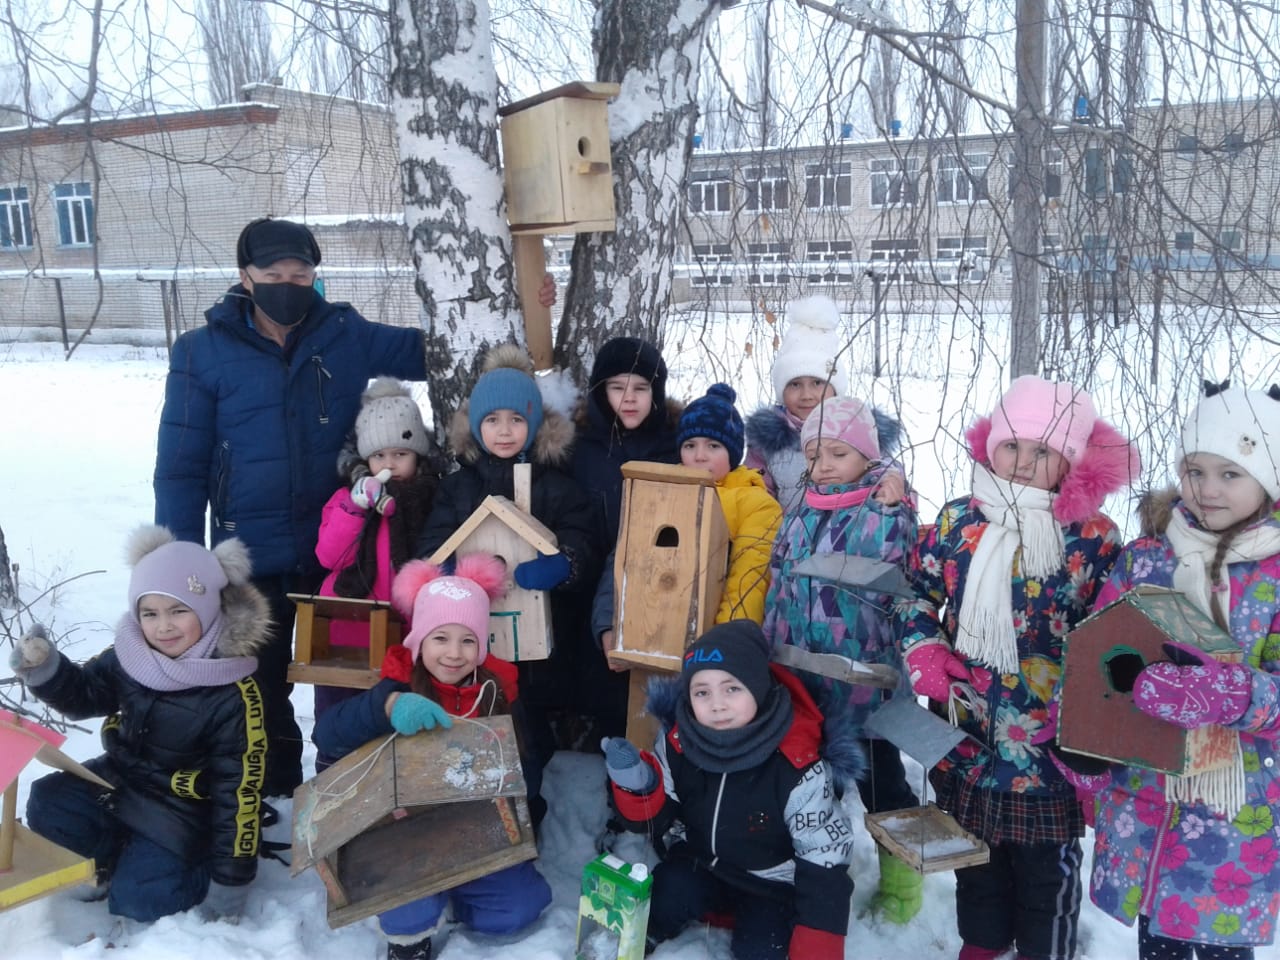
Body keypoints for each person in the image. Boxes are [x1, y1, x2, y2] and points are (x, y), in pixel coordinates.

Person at [154, 218, 555, 797]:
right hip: (249, 553)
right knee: (254, 684)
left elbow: (445, 346)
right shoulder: (201, 353)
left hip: (346, 552)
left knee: (350, 677)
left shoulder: (343, 332)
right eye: (273, 275)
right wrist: (180, 567)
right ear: (245, 277)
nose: (288, 286)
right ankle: (272, 793)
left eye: (301, 275)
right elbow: (180, 467)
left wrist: (526, 311)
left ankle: (360, 784)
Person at [901, 375, 1141, 960]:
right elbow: (914, 593)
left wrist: (1093, 718)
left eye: (1044, 452)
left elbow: (1115, 636)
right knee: (976, 864)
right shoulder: (958, 521)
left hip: (1048, 749)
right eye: (1013, 446)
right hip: (969, 735)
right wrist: (924, 648)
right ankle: (982, 944)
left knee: (1045, 876)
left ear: (1072, 463)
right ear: (992, 445)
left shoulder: (1093, 538)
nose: (1025, 462)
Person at [1081, 382, 1280, 960]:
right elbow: (1099, 650)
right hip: (1146, 798)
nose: (1208, 489)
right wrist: (1085, 738)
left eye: (1230, 474)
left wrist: (1229, 693)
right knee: (1158, 938)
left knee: (1219, 943)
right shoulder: (1146, 557)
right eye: (1195, 471)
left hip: (1236, 809)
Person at [8, 525, 270, 923]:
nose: (163, 626)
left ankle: (187, 866)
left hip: (182, 812)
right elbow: (86, 695)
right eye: (150, 613)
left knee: (139, 901)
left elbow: (239, 794)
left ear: (207, 609)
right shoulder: (131, 654)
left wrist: (230, 883)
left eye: (179, 611)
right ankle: (112, 858)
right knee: (48, 799)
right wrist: (47, 669)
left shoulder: (232, 692)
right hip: (121, 782)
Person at [313, 554, 552, 960]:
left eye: (467, 640)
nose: (454, 653)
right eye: (440, 638)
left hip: (477, 828)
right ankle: (416, 931)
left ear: (481, 645)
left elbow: (529, 763)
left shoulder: (498, 692)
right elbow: (327, 734)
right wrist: (386, 708)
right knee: (407, 913)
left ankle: (456, 900)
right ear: (419, 641)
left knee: (518, 908)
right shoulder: (398, 686)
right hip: (407, 833)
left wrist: (505, 786)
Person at [601, 620, 857, 960]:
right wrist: (640, 787)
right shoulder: (680, 740)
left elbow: (824, 857)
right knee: (665, 896)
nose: (717, 704)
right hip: (699, 865)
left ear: (758, 687)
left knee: (763, 950)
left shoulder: (797, 761)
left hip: (770, 884)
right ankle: (628, 941)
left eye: (732, 689)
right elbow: (655, 818)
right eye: (702, 692)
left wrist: (817, 948)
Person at [762, 394, 922, 922]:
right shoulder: (799, 512)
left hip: (866, 688)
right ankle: (818, 869)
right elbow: (778, 585)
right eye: (814, 455)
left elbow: (894, 561)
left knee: (884, 785)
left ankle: (902, 878)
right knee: (810, 784)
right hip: (805, 684)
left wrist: (891, 501)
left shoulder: (884, 509)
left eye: (838, 453)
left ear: (867, 456)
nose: (824, 465)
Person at [415, 343, 602, 768]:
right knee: (480, 723)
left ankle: (531, 796)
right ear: (476, 426)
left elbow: (583, 537)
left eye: (516, 420)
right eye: (492, 420)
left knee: (531, 732)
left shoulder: (556, 486)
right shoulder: (458, 488)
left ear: (534, 424)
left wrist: (566, 564)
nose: (504, 431)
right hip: (474, 644)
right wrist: (446, 569)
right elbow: (432, 542)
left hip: (541, 642)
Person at [311, 378, 442, 766]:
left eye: (401, 453)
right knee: (341, 713)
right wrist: (356, 508)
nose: (389, 464)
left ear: (418, 455)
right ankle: (331, 768)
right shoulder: (345, 499)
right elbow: (328, 556)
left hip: (403, 640)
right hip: (345, 634)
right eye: (379, 455)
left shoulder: (430, 499)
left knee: (393, 716)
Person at [577, 337, 682, 697]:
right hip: (588, 584)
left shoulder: (675, 447)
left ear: (657, 392)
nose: (629, 398)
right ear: (600, 391)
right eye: (617, 387)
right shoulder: (581, 449)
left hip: (655, 582)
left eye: (641, 388)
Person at [678, 383, 783, 624]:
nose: (699, 456)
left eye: (713, 446)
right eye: (689, 445)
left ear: (732, 454)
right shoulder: (662, 491)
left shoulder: (756, 504)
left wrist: (726, 637)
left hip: (716, 632)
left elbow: (749, 581)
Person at [745, 295, 849, 514]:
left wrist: (891, 481)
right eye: (794, 384)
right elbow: (755, 494)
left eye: (817, 383)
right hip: (786, 534)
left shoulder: (856, 430)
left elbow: (883, 471)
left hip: (848, 533)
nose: (806, 395)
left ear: (835, 388)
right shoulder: (768, 442)